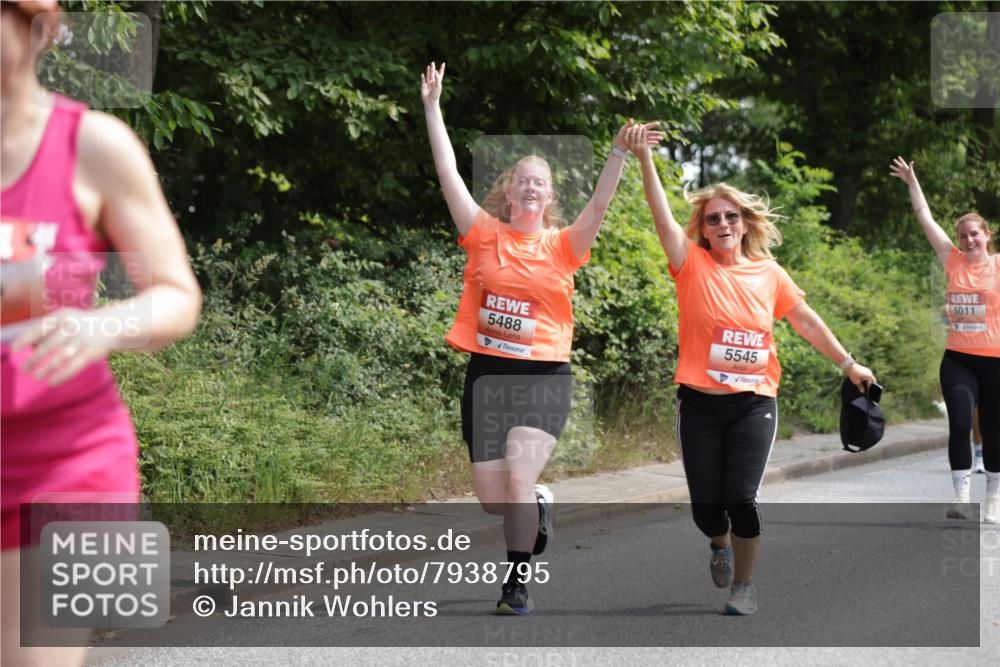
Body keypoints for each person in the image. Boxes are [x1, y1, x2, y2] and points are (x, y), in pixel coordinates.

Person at [1, 2, 202, 664]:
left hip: (63, 464)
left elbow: (176, 296)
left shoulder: (93, 146)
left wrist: (101, 324)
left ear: (34, 27)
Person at [421, 62, 660, 615]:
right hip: (487, 375)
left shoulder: (564, 245)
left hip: (543, 379)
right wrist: (433, 107)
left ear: (549, 196)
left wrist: (619, 153)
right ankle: (539, 507)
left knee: (520, 476)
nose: (531, 186)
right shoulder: (482, 233)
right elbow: (447, 174)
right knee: (490, 499)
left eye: (541, 182)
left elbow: (599, 205)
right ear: (509, 191)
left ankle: (516, 584)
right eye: (523, 179)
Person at [625, 124, 876, 615]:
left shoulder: (769, 273)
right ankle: (718, 545)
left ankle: (744, 585)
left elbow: (805, 319)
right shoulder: (690, 264)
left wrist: (848, 363)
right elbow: (660, 216)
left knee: (742, 497)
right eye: (713, 218)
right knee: (706, 510)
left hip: (754, 403)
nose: (722, 223)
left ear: (743, 223)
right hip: (699, 404)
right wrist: (642, 161)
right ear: (703, 226)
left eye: (730, 216)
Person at [890, 156, 999, 524]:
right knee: (959, 424)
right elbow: (925, 218)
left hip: (995, 361)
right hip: (959, 359)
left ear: (987, 235)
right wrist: (911, 181)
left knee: (995, 429)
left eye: (975, 234)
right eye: (963, 235)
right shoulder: (951, 260)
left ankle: (994, 499)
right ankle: (962, 496)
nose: (968, 240)